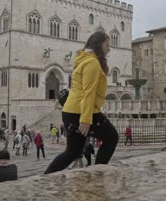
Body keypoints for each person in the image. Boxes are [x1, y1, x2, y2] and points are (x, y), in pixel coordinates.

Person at [44, 32, 119, 174]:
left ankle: (45, 178)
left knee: (72, 152)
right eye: (107, 45)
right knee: (112, 137)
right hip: (81, 111)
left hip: (71, 111)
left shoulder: (83, 59)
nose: (109, 49)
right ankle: (98, 172)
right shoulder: (92, 62)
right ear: (98, 44)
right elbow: (88, 92)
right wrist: (85, 119)